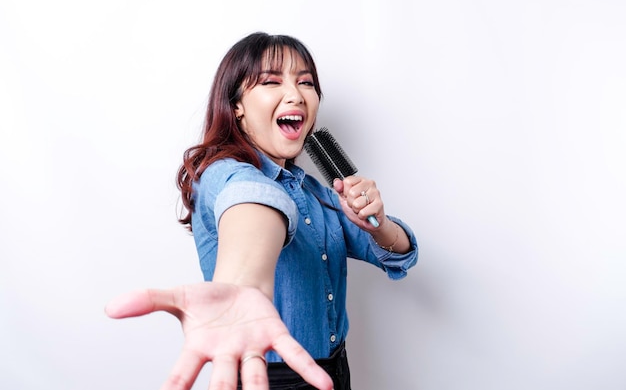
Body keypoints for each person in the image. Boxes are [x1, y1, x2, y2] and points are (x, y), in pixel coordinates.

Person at [106, 32, 418, 390]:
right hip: (271, 377)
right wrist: (243, 291)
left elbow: (400, 256)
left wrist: (378, 224)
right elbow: (253, 202)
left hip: (335, 370)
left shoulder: (316, 192)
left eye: (306, 82)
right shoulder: (224, 173)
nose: (295, 94)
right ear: (236, 105)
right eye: (271, 81)